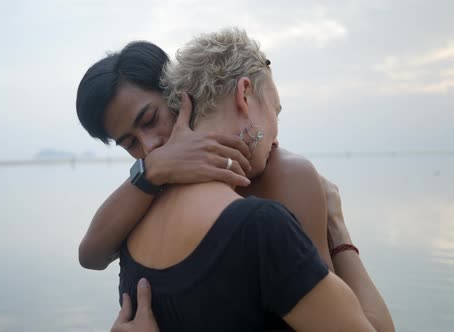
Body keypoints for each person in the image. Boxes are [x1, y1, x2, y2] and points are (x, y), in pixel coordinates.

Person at [110, 28, 393, 331]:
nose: (275, 135)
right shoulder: (262, 224)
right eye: (275, 110)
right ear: (244, 94)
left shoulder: (133, 223)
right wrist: (338, 231)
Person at [76, 38, 333, 275]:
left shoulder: (280, 171)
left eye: (151, 119)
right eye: (130, 143)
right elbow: (91, 256)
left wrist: (341, 238)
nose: (150, 145)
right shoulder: (151, 187)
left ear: (176, 94)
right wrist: (151, 171)